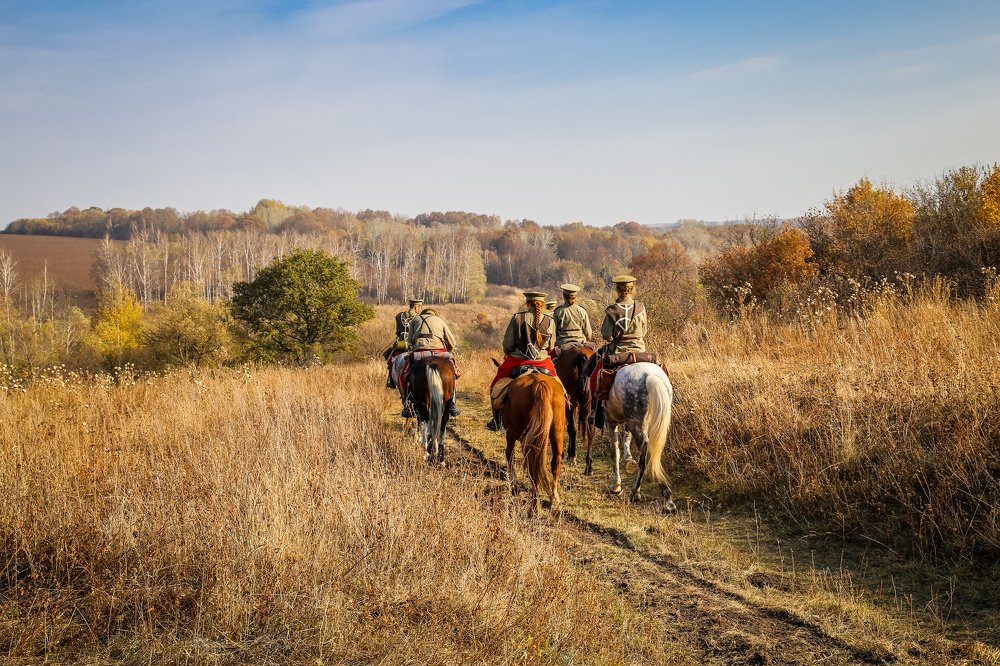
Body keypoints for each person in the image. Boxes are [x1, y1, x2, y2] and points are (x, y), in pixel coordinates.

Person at [486, 291, 557, 431]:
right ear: (542, 304)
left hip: (518, 361)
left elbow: (508, 344)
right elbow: (551, 347)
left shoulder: (517, 318)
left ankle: (496, 420)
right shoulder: (550, 321)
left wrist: (509, 352)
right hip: (542, 362)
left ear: (527, 303)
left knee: (495, 386)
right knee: (561, 389)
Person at [589, 275, 648, 427]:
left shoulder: (612, 310)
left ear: (617, 290)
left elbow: (606, 336)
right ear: (632, 289)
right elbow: (645, 331)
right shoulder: (641, 308)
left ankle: (595, 411)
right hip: (640, 350)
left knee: (595, 375)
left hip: (618, 351)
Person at [401, 306, 461, 417]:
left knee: (405, 374)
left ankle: (408, 403)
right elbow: (452, 341)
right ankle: (452, 403)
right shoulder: (440, 320)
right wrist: (449, 351)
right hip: (440, 351)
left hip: (420, 352)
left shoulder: (415, 320)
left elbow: (409, 341)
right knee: (453, 373)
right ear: (434, 315)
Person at [384, 297, 422, 388]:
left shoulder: (399, 316)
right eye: (420, 307)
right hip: (413, 344)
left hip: (401, 344)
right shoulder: (419, 318)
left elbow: (397, 332)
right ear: (416, 307)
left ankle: (391, 380)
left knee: (391, 357)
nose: (420, 309)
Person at [552, 283, 593, 348]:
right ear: (575, 296)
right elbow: (588, 333)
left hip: (562, 343)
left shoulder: (558, 312)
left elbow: (553, 332)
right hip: (580, 342)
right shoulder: (582, 311)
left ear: (564, 296)